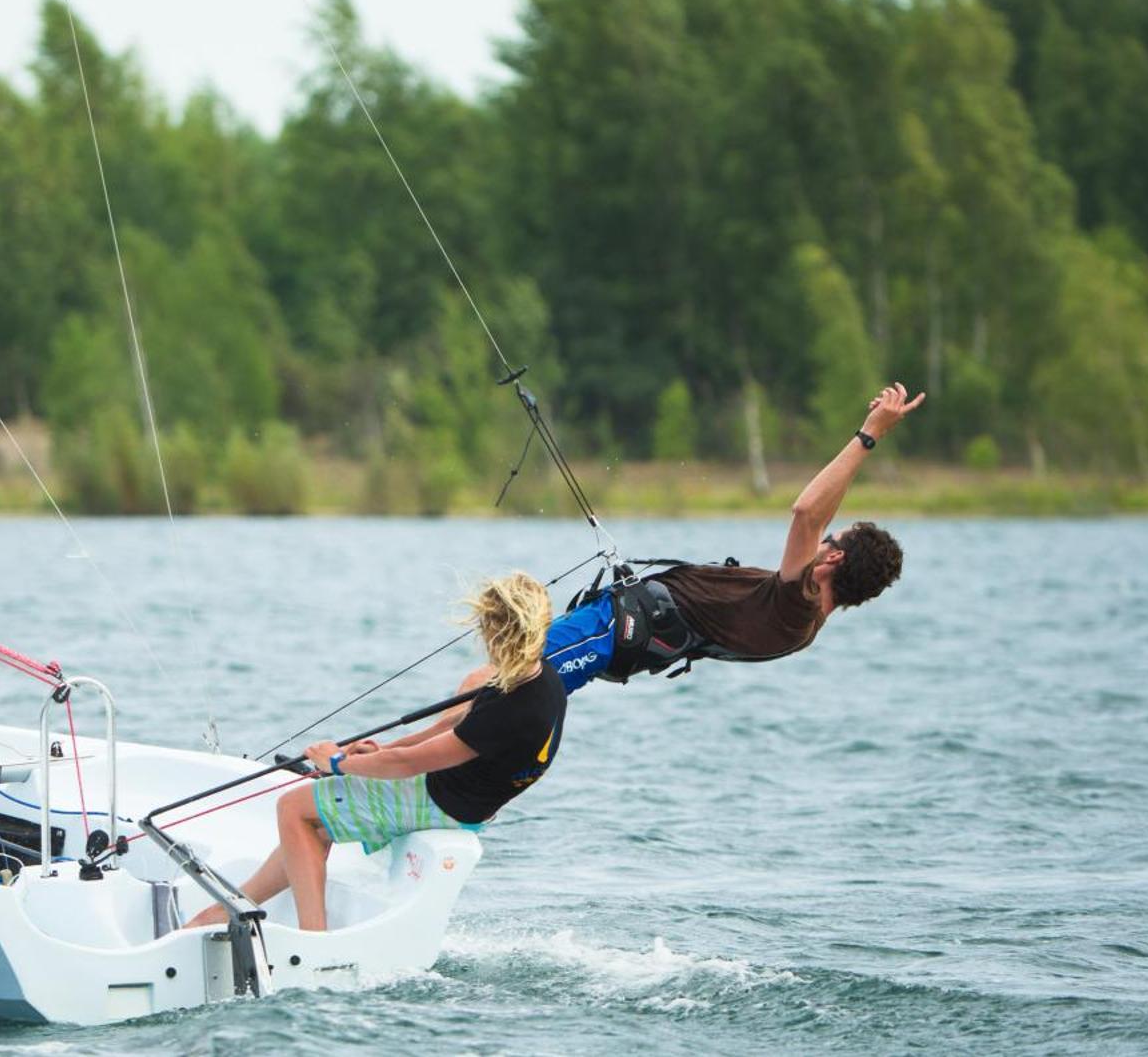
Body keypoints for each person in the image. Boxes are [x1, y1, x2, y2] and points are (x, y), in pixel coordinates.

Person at [187, 573, 566, 933]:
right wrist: (378, 751)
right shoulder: (540, 675)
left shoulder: (510, 711)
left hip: (444, 802)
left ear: (496, 632)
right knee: (315, 822)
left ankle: (314, 941)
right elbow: (442, 733)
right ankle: (224, 911)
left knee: (294, 808)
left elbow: (406, 766)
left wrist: (337, 762)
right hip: (467, 792)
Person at [546, 382, 927, 689]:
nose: (821, 537)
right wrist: (868, 428)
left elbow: (808, 513)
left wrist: (869, 434)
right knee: (514, 676)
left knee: (515, 671)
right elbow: (821, 515)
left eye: (829, 539)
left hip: (611, 631)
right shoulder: (803, 622)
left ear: (833, 558)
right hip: (619, 636)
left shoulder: (798, 606)